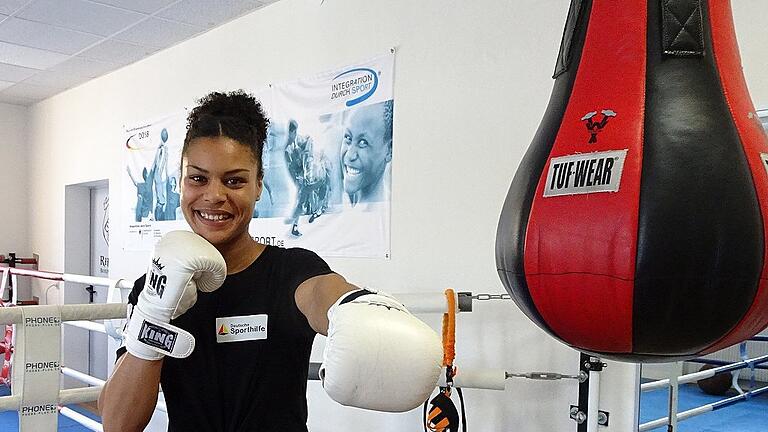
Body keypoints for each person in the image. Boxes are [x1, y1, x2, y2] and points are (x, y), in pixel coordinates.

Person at [98, 90, 442, 432]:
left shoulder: (291, 271)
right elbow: (117, 423)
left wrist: (356, 308)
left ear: (259, 185)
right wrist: (154, 315)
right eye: (198, 178)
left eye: (234, 180)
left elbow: (324, 293)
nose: (214, 195)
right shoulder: (152, 287)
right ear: (181, 183)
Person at [340, 100, 393, 206]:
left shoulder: (387, 213)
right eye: (348, 137)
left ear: (389, 150)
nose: (350, 155)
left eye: (363, 142)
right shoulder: (343, 210)